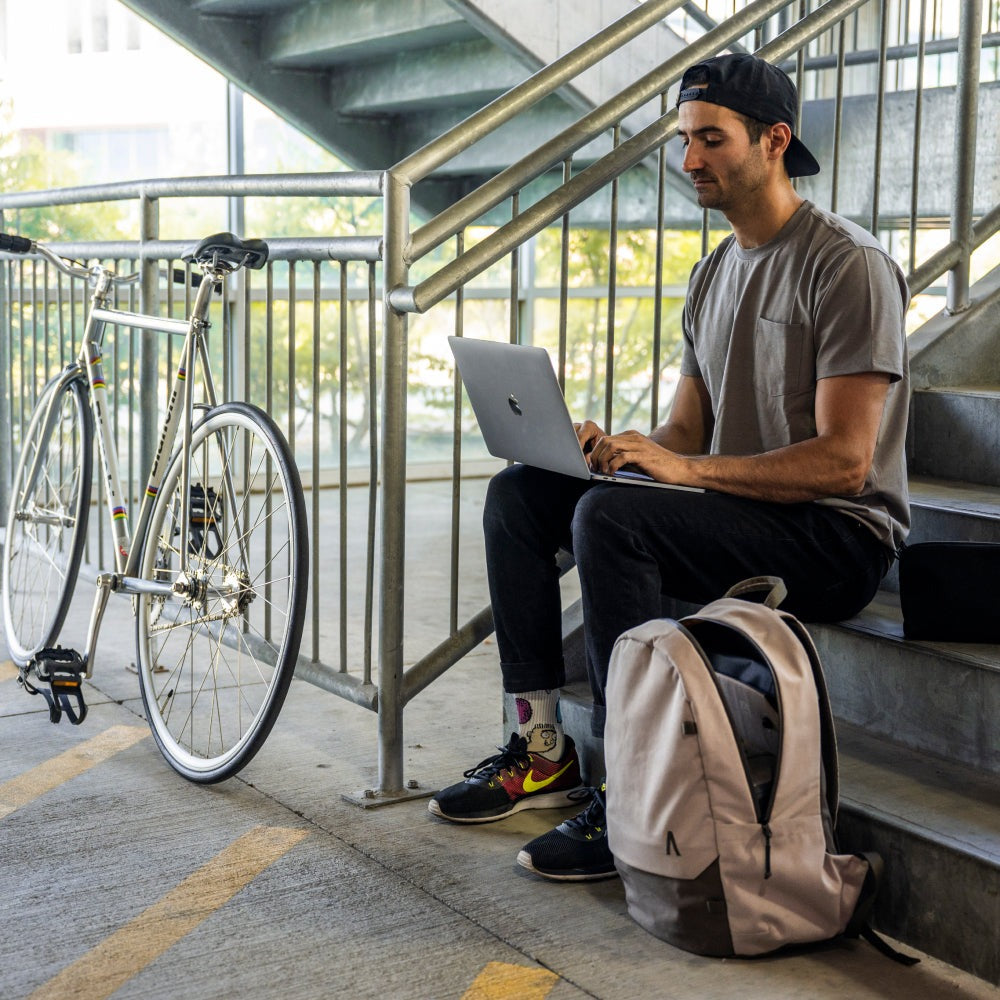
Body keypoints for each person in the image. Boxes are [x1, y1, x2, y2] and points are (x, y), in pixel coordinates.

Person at [428, 53, 910, 882]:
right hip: (753, 514)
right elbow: (687, 429)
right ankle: (542, 743)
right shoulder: (715, 272)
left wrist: (681, 476)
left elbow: (845, 461)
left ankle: (637, 791)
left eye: (711, 140)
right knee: (522, 496)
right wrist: (623, 452)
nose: (690, 161)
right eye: (684, 140)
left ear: (774, 142)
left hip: (837, 540)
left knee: (609, 522)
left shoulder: (846, 265)